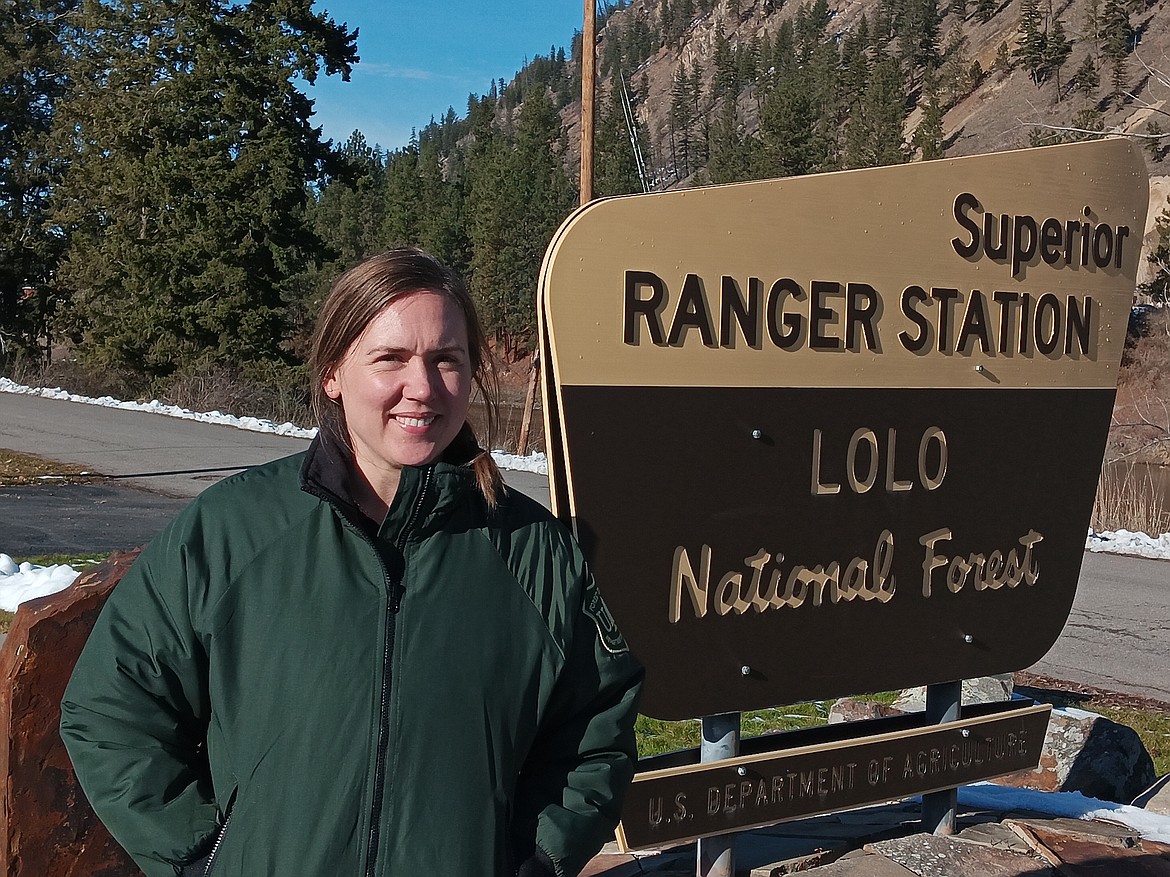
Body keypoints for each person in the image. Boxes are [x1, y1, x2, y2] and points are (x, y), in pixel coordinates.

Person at [60, 248, 644, 877]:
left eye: (446, 359)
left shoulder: (534, 553)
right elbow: (111, 707)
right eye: (390, 358)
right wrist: (201, 855)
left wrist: (537, 859)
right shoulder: (232, 532)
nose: (421, 388)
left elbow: (594, 734)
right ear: (334, 372)